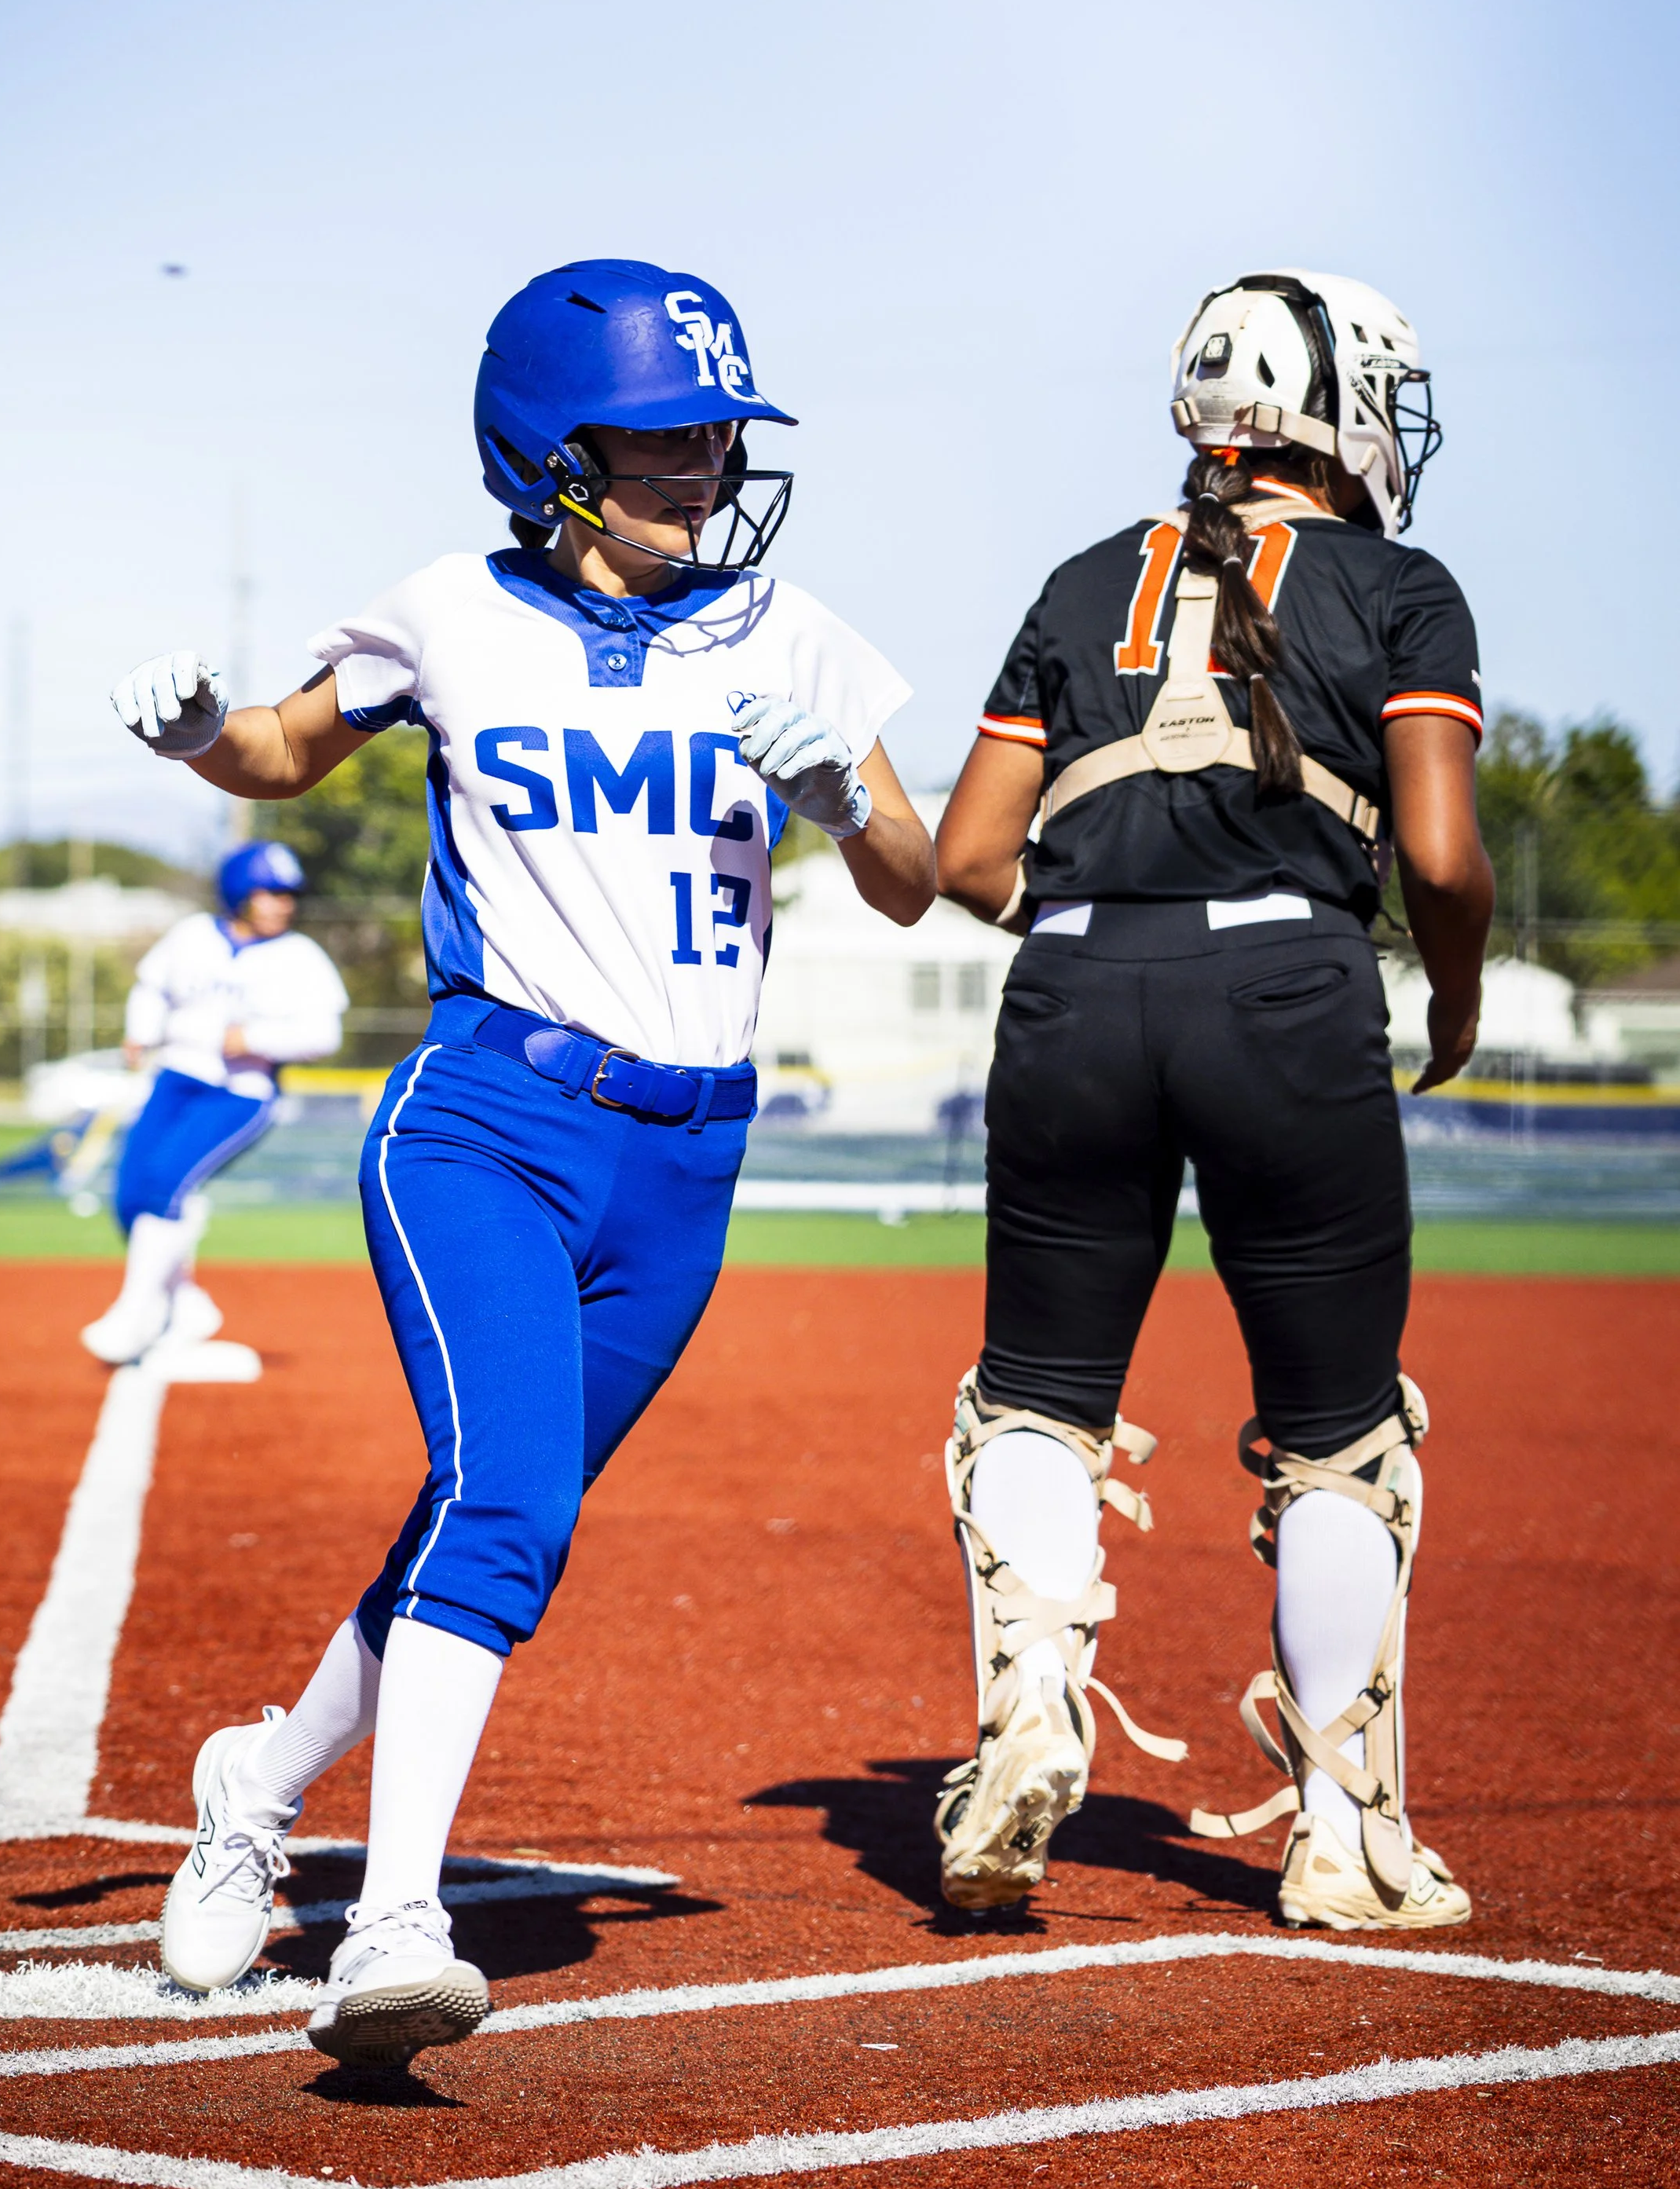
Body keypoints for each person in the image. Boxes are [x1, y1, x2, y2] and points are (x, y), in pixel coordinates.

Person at [108, 259, 934, 2059]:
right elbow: (275, 750)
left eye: (720, 434)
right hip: (487, 1120)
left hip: (684, 1168)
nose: (705, 468)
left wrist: (844, 801)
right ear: (551, 456)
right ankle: (390, 1921)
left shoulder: (793, 634)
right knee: (509, 1514)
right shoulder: (446, 613)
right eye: (660, 442)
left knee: (480, 1511)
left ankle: (258, 1780)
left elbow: (923, 874)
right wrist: (195, 731)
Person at [932, 268, 1492, 1932]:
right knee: (1334, 1432)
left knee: (1035, 1396)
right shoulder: (1398, 581)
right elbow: (1443, 853)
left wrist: (1114, 943)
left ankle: (1027, 1710)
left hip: (1073, 987)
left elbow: (972, 859)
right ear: (1336, 408)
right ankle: (1344, 1829)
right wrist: (1448, 991)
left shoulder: (1079, 574)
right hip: (1285, 991)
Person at [78, 842, 348, 1366]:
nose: (282, 904)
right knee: (132, 1193)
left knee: (166, 1184)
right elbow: (150, 988)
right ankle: (186, 1304)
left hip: (241, 1092)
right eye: (270, 892)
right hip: (175, 1076)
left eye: (289, 895)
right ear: (239, 892)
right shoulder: (193, 935)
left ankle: (134, 1314)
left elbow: (324, 1033)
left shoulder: (301, 957)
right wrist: (141, 1031)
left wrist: (259, 1037)